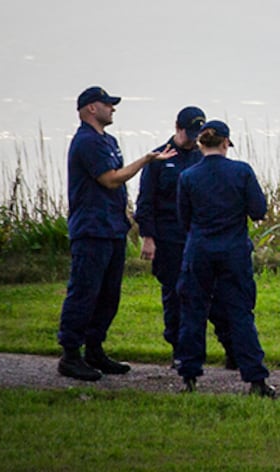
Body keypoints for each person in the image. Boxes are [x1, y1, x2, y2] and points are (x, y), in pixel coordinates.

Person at [58, 85, 175, 382]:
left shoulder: (107, 140)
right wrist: (146, 160)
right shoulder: (86, 142)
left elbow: (117, 187)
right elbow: (110, 180)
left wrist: (127, 215)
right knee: (84, 291)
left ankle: (95, 349)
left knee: (109, 295)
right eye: (108, 104)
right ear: (91, 109)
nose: (113, 108)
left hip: (112, 227)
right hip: (91, 229)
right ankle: (70, 354)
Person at [175, 119, 277, 397]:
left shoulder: (188, 176)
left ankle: (189, 375)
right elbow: (258, 210)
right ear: (225, 143)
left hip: (199, 250)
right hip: (233, 250)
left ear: (200, 143)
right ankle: (255, 378)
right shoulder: (241, 172)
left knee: (193, 311)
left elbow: (183, 218)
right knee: (240, 313)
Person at [134, 105, 232, 364]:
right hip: (169, 238)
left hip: (199, 236)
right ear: (177, 128)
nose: (193, 139)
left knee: (217, 294)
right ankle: (179, 350)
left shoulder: (203, 156)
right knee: (176, 295)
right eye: (189, 133)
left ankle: (231, 347)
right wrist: (148, 237)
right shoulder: (159, 158)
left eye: (197, 134)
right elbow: (145, 201)